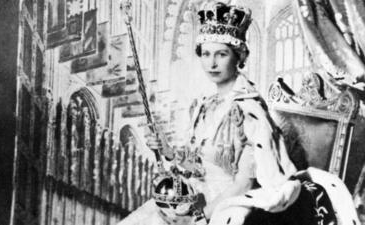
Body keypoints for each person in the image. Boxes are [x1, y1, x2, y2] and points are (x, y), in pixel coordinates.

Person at [119, 2, 337, 225]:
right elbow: (198, 164)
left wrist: (199, 216)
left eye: (221, 54)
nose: (211, 63)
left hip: (228, 205)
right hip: (196, 195)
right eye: (206, 54)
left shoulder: (250, 112)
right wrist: (167, 150)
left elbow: (242, 185)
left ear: (239, 57)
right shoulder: (204, 105)